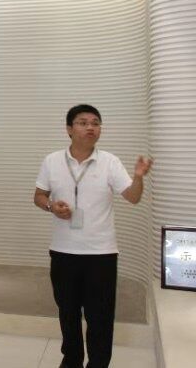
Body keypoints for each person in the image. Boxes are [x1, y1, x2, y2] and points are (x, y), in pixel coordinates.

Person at [33, 104, 152, 368]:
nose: (90, 127)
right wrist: (51, 206)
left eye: (95, 123)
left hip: (101, 254)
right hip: (63, 251)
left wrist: (138, 177)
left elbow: (133, 197)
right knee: (68, 313)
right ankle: (72, 360)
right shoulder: (52, 161)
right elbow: (39, 196)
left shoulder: (110, 161)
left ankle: (98, 364)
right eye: (83, 122)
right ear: (69, 129)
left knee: (100, 317)